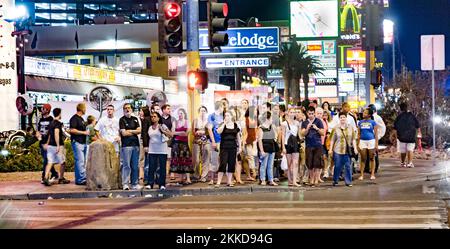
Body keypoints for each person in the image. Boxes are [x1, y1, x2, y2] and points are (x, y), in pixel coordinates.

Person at [143, 111, 172, 190]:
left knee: (162, 167)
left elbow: (171, 135)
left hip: (162, 150)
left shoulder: (162, 126)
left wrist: (163, 131)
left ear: (159, 118)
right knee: (151, 167)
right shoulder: (150, 127)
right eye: (152, 117)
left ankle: (162, 184)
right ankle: (150, 183)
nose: (153, 118)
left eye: (155, 116)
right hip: (152, 150)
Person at [329, 112, 358, 187]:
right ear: (339, 119)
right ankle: (335, 180)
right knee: (338, 166)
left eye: (344, 117)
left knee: (348, 166)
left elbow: (353, 139)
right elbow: (332, 139)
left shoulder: (350, 127)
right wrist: (330, 149)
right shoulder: (335, 128)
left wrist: (355, 148)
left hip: (347, 151)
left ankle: (348, 181)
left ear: (346, 118)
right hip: (337, 150)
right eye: (341, 117)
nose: (342, 119)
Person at [43, 108, 70, 186]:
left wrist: (47, 143)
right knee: (63, 162)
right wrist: (58, 145)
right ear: (59, 114)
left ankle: (46, 177)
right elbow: (56, 133)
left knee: (50, 162)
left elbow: (49, 134)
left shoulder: (51, 123)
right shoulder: (58, 123)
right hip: (58, 145)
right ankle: (61, 178)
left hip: (50, 146)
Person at [119, 103, 142, 190]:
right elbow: (124, 133)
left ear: (131, 109)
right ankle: (125, 183)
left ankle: (134, 184)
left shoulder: (135, 119)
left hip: (136, 145)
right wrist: (134, 131)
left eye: (129, 108)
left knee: (135, 166)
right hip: (126, 146)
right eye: (125, 108)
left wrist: (130, 131)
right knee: (126, 165)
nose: (127, 109)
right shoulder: (122, 120)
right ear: (123, 110)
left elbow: (139, 131)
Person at [216, 111, 241, 187]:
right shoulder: (222, 124)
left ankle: (229, 181)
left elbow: (238, 137)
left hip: (233, 146)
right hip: (224, 146)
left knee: (231, 164)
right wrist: (224, 123)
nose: (226, 117)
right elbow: (218, 132)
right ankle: (218, 182)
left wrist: (240, 147)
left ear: (231, 116)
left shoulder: (235, 125)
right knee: (223, 163)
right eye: (225, 115)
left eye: (228, 115)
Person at [301, 106, 325, 187]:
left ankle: (315, 179)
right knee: (310, 164)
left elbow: (323, 133)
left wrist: (317, 128)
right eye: (309, 114)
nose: (311, 115)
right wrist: (307, 128)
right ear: (307, 114)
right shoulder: (304, 123)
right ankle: (311, 179)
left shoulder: (318, 121)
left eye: (312, 114)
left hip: (318, 144)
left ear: (314, 113)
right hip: (309, 145)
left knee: (317, 163)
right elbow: (302, 133)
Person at [170, 108, 194, 184]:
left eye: (181, 113)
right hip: (176, 144)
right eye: (179, 113)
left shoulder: (187, 122)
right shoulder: (175, 122)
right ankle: (181, 178)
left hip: (184, 144)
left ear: (184, 114)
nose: (180, 115)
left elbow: (186, 133)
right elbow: (172, 133)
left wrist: (177, 132)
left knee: (186, 161)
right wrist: (181, 132)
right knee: (179, 161)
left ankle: (188, 178)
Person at [394, 102, 421, 168]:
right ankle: (409, 163)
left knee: (403, 150)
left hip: (401, 136)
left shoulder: (399, 117)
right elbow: (417, 125)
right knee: (410, 149)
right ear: (407, 108)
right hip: (411, 136)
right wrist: (419, 133)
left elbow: (395, 127)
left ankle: (403, 163)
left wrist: (395, 136)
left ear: (400, 109)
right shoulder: (412, 115)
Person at [36, 103, 58, 184]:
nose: (42, 110)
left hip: (48, 143)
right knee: (47, 159)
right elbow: (38, 129)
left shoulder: (51, 119)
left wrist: (48, 143)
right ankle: (55, 174)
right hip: (42, 142)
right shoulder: (41, 119)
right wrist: (38, 134)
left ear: (47, 110)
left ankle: (44, 177)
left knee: (46, 159)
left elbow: (51, 132)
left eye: (43, 108)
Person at [69, 103, 89, 185]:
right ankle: (81, 179)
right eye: (85, 108)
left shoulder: (81, 119)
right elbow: (72, 130)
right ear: (82, 109)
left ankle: (80, 178)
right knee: (80, 161)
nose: (86, 110)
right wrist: (84, 132)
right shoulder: (74, 118)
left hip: (83, 142)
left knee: (82, 161)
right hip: (77, 142)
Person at [281, 108, 302, 187]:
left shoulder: (297, 123)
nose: (293, 114)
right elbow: (283, 136)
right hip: (287, 144)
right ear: (288, 113)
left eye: (294, 112)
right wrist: (283, 147)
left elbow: (299, 135)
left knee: (295, 163)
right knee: (289, 164)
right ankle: (290, 180)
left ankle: (294, 181)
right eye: (291, 112)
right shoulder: (284, 124)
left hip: (295, 144)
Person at [258, 111, 278, 186]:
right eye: (271, 118)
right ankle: (263, 179)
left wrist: (275, 138)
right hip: (265, 147)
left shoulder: (272, 126)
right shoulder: (261, 128)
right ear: (267, 119)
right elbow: (259, 140)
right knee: (264, 164)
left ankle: (271, 180)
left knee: (270, 165)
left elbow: (276, 134)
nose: (272, 120)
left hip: (271, 147)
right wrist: (262, 151)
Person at [357, 108, 378, 180]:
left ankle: (372, 174)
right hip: (362, 141)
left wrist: (376, 144)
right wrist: (358, 144)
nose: (363, 114)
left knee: (372, 158)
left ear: (369, 115)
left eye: (365, 113)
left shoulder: (373, 122)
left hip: (371, 141)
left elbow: (376, 134)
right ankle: (361, 175)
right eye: (363, 112)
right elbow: (359, 134)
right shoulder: (360, 122)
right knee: (363, 158)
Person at [192, 106, 211, 183]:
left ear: (206, 112)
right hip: (196, 140)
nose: (202, 112)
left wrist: (203, 132)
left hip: (206, 141)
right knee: (196, 159)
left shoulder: (209, 121)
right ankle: (196, 175)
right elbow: (193, 131)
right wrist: (197, 133)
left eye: (204, 111)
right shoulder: (195, 120)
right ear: (198, 112)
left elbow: (210, 131)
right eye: (201, 111)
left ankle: (204, 176)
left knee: (206, 159)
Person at [207, 101, 224, 185]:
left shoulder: (223, 117)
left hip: (223, 141)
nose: (223, 109)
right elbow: (210, 129)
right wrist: (213, 141)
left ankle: (218, 179)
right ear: (220, 107)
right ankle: (212, 179)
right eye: (222, 107)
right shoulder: (211, 116)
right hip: (215, 141)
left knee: (222, 160)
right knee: (213, 160)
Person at [367, 104, 386, 173]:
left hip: (373, 137)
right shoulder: (372, 117)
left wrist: (378, 136)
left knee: (373, 153)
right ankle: (370, 167)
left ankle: (374, 167)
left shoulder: (376, 117)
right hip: (370, 137)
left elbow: (382, 127)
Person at [241, 106, 258, 182]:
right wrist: (243, 141)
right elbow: (244, 132)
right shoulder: (245, 119)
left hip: (253, 139)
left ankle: (251, 174)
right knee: (249, 157)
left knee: (251, 157)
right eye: (254, 110)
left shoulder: (255, 119)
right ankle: (254, 173)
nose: (255, 112)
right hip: (247, 140)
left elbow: (255, 130)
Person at [161, 104, 176, 180]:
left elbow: (173, 131)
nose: (169, 110)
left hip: (170, 140)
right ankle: (163, 172)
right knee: (163, 157)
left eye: (170, 109)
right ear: (163, 110)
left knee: (169, 157)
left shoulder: (172, 119)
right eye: (168, 109)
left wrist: (168, 133)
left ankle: (169, 172)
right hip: (161, 140)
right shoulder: (159, 118)